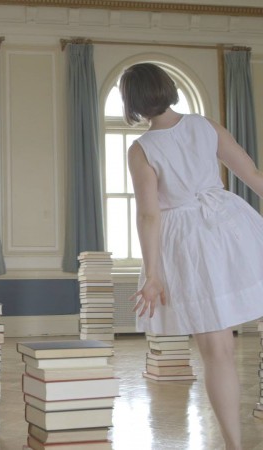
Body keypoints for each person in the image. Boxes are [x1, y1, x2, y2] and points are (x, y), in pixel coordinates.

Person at [123, 63, 263, 450]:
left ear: (132, 102)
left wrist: (153, 274)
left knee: (217, 351)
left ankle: (235, 445)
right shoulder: (206, 125)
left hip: (188, 244)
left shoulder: (142, 150)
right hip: (230, 227)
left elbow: (149, 215)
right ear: (168, 88)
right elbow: (252, 174)